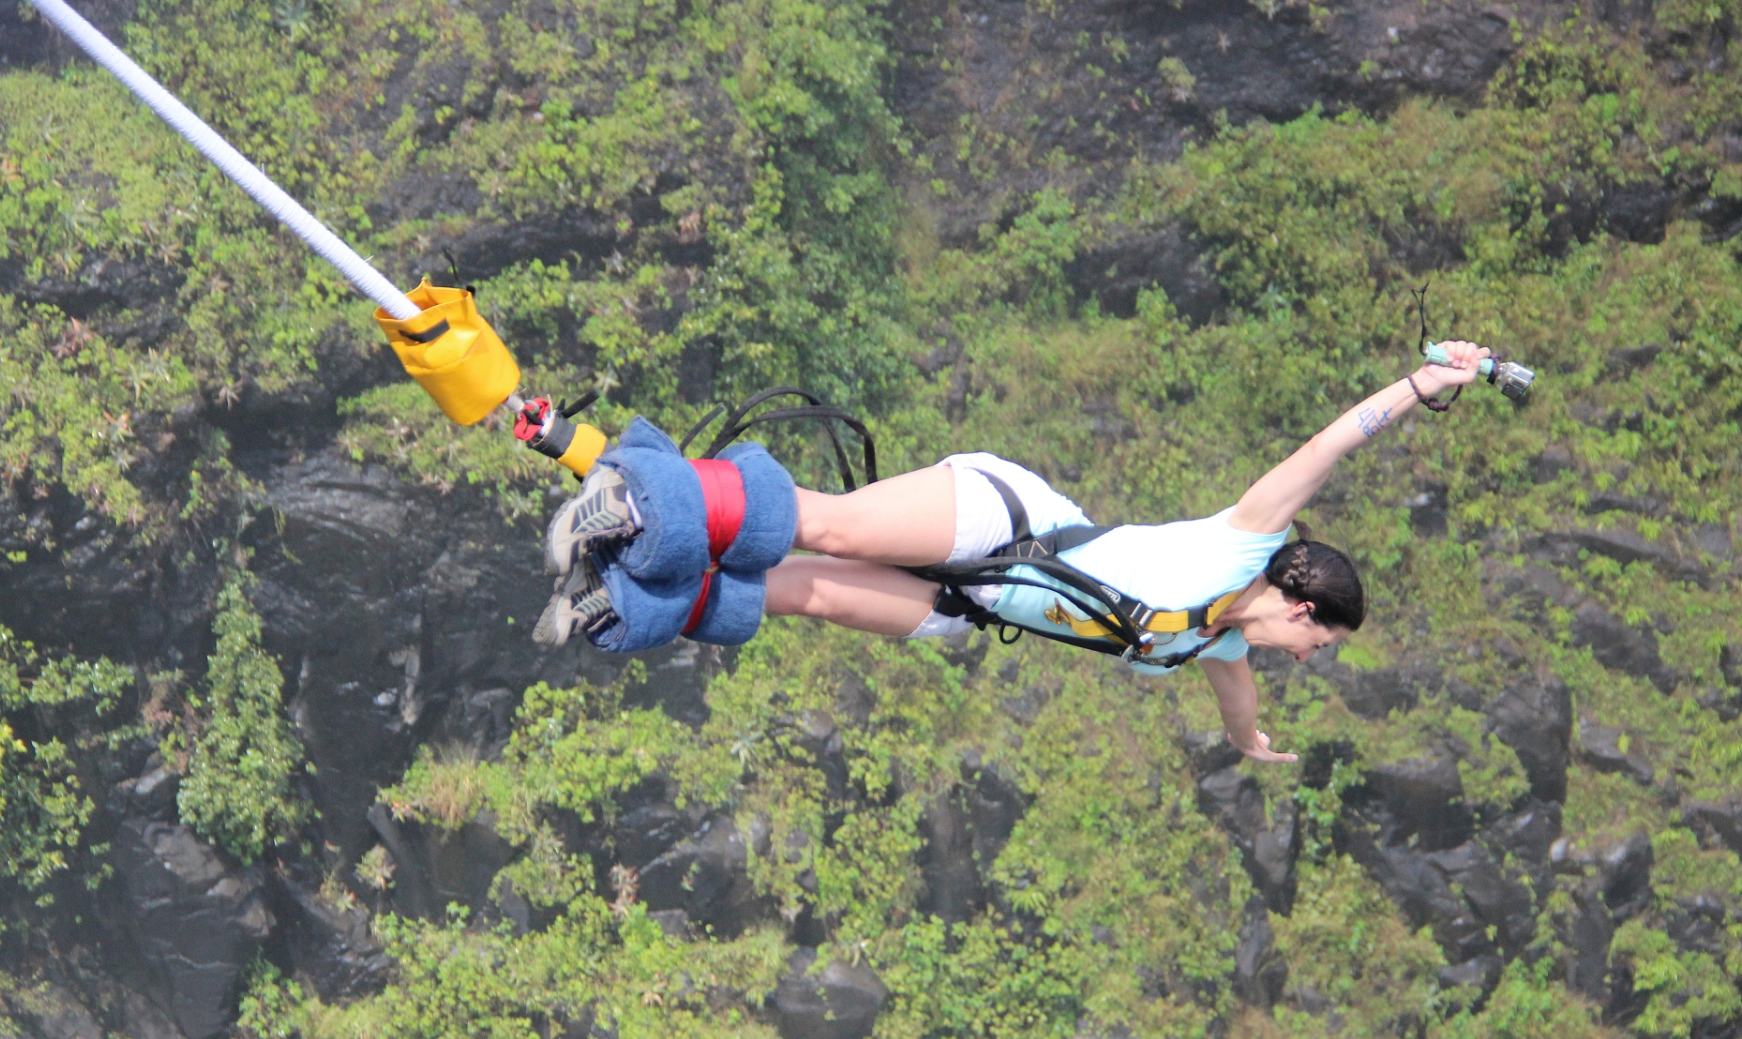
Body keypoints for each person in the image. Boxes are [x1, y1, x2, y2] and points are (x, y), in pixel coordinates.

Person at [541, 341, 1491, 763]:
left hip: (976, 603)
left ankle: (619, 594)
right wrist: (1423, 386)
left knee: (804, 595)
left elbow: (1238, 707)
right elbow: (1330, 447)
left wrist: (1249, 743)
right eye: (1321, 643)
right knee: (827, 525)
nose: (1311, 657)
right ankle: (640, 501)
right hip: (1008, 521)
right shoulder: (1246, 542)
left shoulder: (1221, 644)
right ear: (1304, 607)